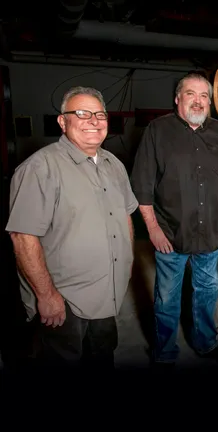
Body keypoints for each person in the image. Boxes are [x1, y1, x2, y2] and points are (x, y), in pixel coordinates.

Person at [5, 86, 138, 371]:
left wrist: (125, 266)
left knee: (102, 358)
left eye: (100, 114)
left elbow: (126, 215)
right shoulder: (40, 168)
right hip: (65, 301)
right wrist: (46, 296)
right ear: (62, 122)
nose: (93, 121)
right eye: (81, 113)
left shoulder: (114, 164)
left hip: (106, 292)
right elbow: (22, 237)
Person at [130, 71, 218, 368]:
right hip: (170, 234)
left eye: (204, 96)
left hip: (211, 235)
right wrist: (152, 228)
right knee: (167, 298)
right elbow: (141, 184)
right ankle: (164, 352)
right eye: (191, 94)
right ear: (178, 99)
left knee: (207, 293)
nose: (198, 101)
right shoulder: (157, 130)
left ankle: (205, 343)